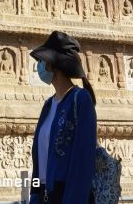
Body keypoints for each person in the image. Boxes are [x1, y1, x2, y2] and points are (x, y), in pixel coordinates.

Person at [28, 30, 97, 204]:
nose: (39, 66)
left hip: (68, 195)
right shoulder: (48, 106)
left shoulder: (80, 100)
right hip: (44, 196)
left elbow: (82, 160)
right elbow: (38, 160)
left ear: (52, 65)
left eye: (42, 61)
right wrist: (34, 196)